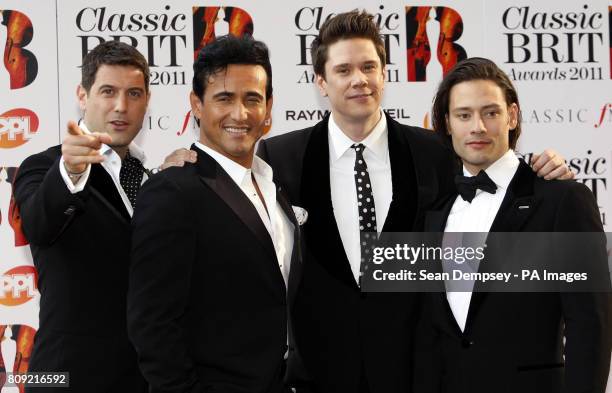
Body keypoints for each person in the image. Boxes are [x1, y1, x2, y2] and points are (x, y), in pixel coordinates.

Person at [257, 10, 573, 393]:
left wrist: (544, 169)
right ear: (321, 81)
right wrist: (182, 164)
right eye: (343, 70)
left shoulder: (436, 152)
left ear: (385, 73)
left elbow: (495, 190)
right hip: (319, 374)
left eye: (369, 67)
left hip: (414, 371)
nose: (359, 80)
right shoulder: (279, 157)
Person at [415, 56, 611, 393]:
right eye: (464, 115)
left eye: (490, 112)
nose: (477, 126)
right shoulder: (434, 209)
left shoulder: (562, 199)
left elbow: (590, 325)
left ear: (512, 116)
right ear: (446, 124)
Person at [13, 41, 194, 393]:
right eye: (108, 91)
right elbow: (38, 223)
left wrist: (168, 184)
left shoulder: (153, 180)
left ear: (147, 100)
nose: (121, 106)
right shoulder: (45, 168)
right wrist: (70, 171)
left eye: (134, 93)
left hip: (147, 380)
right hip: (65, 378)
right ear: (83, 95)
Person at [127, 35, 302, 393]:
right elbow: (152, 325)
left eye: (252, 99)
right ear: (197, 104)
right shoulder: (171, 193)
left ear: (269, 107)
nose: (239, 113)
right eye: (224, 98)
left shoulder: (274, 184)